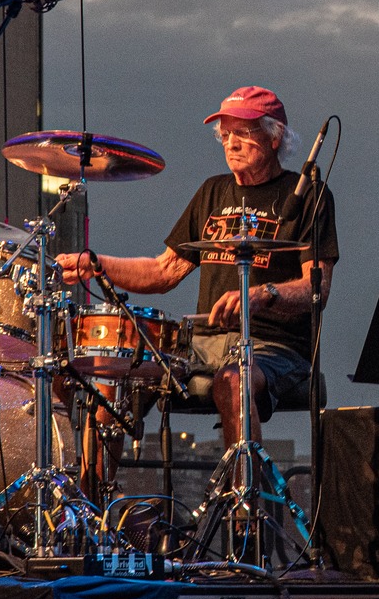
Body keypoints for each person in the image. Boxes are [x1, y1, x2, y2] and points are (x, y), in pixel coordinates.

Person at [57, 85, 336, 447]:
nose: (231, 143)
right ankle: (91, 497)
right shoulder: (212, 192)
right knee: (115, 380)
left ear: (274, 136)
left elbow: (318, 288)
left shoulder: (308, 195)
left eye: (243, 133)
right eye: (225, 133)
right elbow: (164, 272)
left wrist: (262, 295)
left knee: (233, 381)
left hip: (275, 345)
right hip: (203, 340)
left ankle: (243, 500)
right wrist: (97, 264)